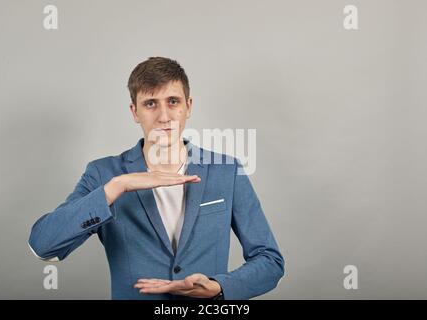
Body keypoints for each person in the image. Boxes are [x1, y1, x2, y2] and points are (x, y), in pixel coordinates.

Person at [28, 57, 285, 300]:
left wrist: (218, 288)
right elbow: (43, 245)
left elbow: (269, 261)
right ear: (134, 112)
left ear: (188, 107)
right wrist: (118, 186)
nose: (164, 116)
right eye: (151, 103)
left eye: (173, 101)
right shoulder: (103, 174)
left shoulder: (226, 171)